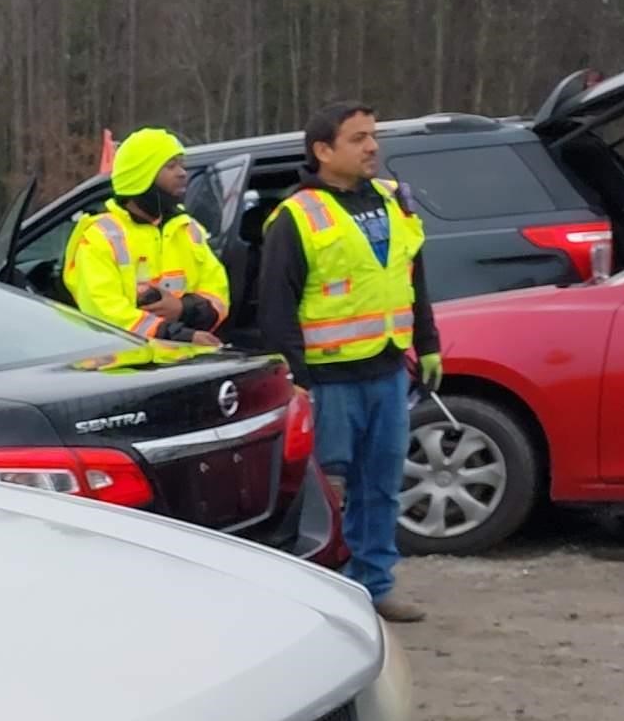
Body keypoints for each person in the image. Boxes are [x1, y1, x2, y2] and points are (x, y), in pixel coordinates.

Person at [256, 101, 437, 623]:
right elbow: (276, 305)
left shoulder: (390, 200)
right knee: (320, 495)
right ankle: (316, 596)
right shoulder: (296, 216)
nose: (372, 147)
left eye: (372, 136)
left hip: (385, 370)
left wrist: (429, 344)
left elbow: (411, 278)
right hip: (328, 381)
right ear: (323, 150)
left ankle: (374, 586)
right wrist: (297, 377)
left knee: (379, 487)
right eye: (358, 138)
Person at [62, 129, 230, 343]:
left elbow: (218, 296)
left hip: (188, 365)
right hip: (126, 369)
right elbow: (105, 314)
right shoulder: (100, 237)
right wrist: (180, 335)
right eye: (171, 166)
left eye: (181, 165)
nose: (182, 173)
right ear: (140, 177)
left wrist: (182, 309)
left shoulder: (188, 229)